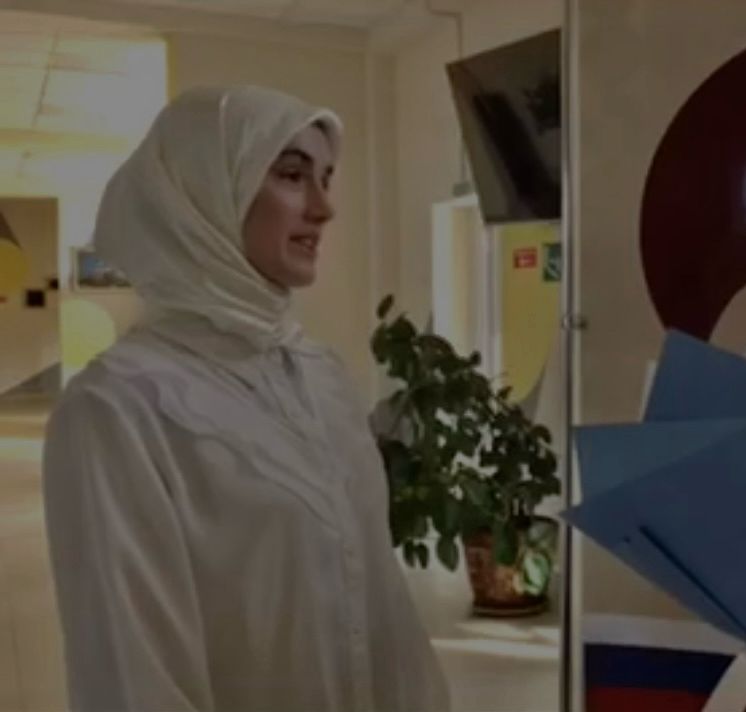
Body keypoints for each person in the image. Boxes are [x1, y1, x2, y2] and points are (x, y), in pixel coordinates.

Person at [42, 85, 450, 712]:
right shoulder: (116, 408)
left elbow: (381, 603)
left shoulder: (320, 375)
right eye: (291, 174)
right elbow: (133, 677)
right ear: (202, 195)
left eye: (326, 178)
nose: (325, 207)